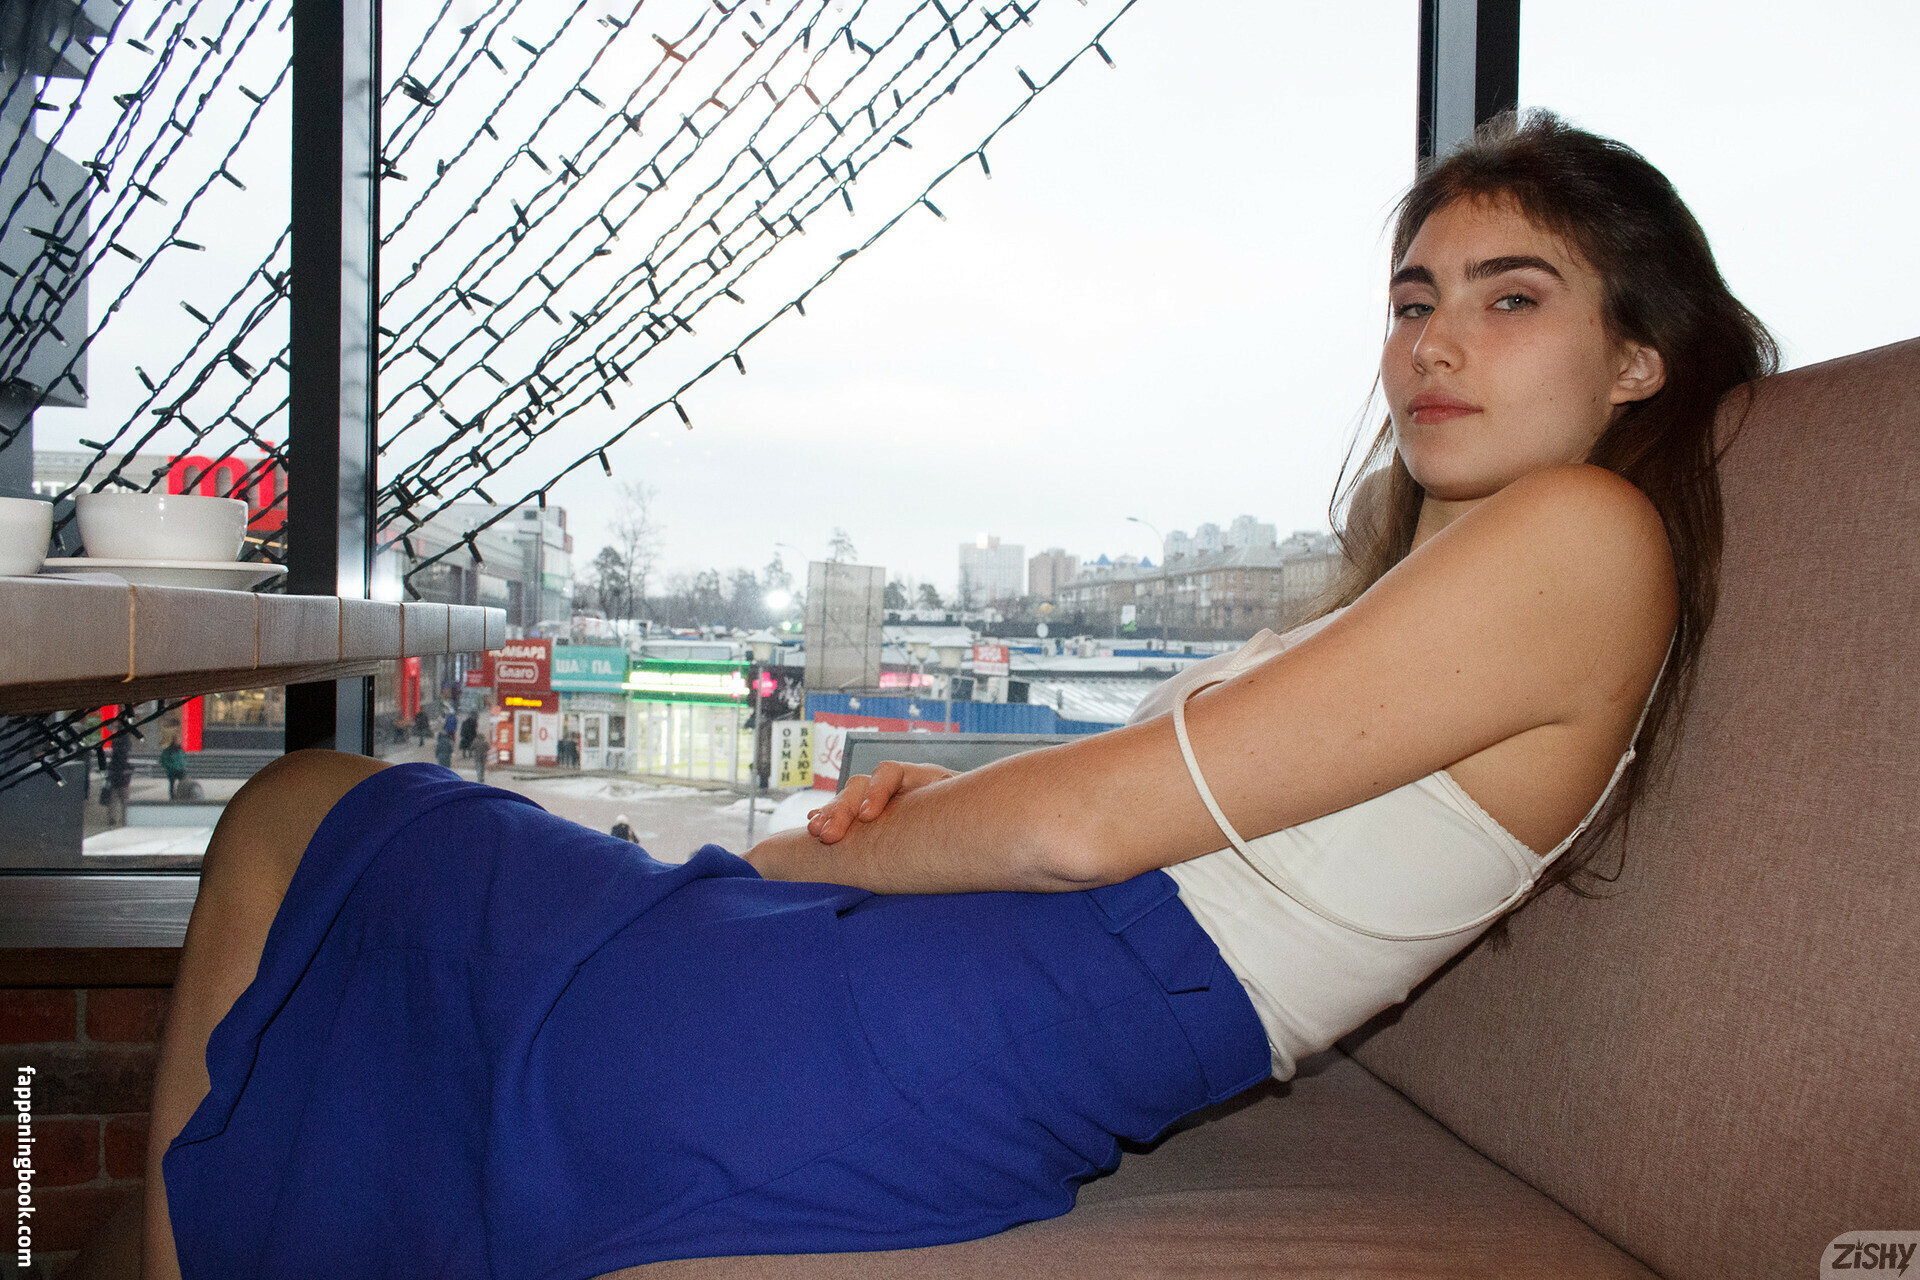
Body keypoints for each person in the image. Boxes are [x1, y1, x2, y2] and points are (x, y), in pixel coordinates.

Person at [111, 112, 1775, 1279]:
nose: (1434, 342)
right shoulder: (1462, 581)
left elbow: (1081, 838)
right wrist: (930, 815)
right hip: (964, 998)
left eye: (1510, 297)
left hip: (952, 1033)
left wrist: (768, 867)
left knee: (308, 820)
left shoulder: (1584, 531)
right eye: (1415, 300)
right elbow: (1137, 822)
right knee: (319, 835)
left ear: (1639, 357)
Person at [159, 736, 188, 802]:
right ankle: (172, 797)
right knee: (172, 784)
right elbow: (163, 760)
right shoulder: (168, 750)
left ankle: (181, 795)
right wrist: (170, 766)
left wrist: (183, 765)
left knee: (183, 783)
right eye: (178, 740)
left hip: (180, 769)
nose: (179, 741)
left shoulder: (181, 750)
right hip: (172, 770)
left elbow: (183, 758)